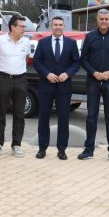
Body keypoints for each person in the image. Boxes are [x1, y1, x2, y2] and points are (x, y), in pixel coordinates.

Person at [79, 8, 109, 162]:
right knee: (91, 116)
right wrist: (94, 72)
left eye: (106, 19)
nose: (104, 21)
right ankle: (88, 150)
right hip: (93, 81)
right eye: (101, 19)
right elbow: (83, 60)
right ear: (97, 20)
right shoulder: (90, 37)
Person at [32, 16, 81, 160]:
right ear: (51, 27)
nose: (58, 27)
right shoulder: (42, 43)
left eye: (60, 25)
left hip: (64, 87)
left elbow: (76, 63)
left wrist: (68, 73)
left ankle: (62, 150)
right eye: (55, 25)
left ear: (63, 27)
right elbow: (36, 61)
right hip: (46, 86)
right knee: (44, 117)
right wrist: (46, 74)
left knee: (64, 119)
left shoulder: (71, 44)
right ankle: (42, 148)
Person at [0, 14, 31, 157]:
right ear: (12, 27)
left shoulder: (26, 42)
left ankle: (16, 145)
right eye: (21, 26)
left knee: (20, 114)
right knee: (0, 113)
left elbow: (25, 59)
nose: (23, 29)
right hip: (4, 78)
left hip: (21, 79)